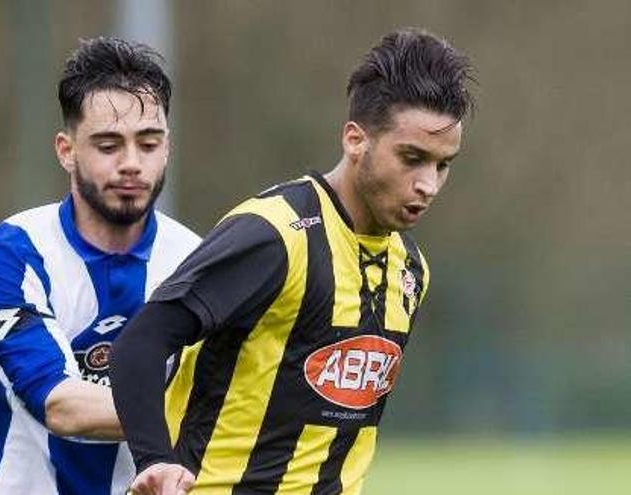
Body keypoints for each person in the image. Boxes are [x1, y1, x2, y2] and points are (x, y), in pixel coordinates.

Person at [111, 28, 475, 495]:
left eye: (442, 165)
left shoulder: (410, 271)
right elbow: (139, 345)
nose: (428, 184)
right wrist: (155, 461)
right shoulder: (274, 235)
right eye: (412, 158)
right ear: (355, 139)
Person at [0, 37, 200, 495]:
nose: (131, 164)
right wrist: (211, 415)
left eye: (148, 144)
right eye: (108, 145)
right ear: (66, 150)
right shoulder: (11, 255)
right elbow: (61, 405)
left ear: (168, 148)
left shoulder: (197, 261)